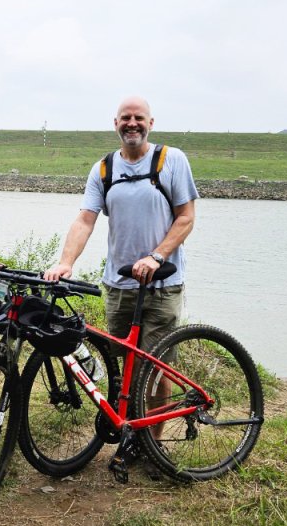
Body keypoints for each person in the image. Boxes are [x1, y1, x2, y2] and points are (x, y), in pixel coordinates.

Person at [44, 96, 198, 440]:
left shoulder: (171, 160)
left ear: (151, 123)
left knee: (155, 369)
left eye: (138, 118)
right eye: (125, 118)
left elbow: (186, 218)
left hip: (162, 284)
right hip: (119, 286)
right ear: (115, 123)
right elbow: (85, 220)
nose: (132, 123)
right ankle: (131, 432)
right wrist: (65, 263)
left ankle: (152, 444)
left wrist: (156, 256)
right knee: (125, 367)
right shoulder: (104, 169)